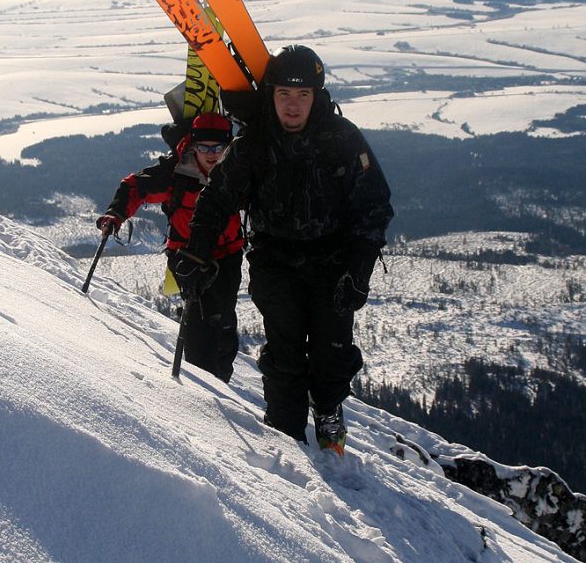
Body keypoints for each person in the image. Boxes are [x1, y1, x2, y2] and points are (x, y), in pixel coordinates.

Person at [174, 46, 393, 453]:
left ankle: (328, 409)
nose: (293, 106)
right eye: (284, 96)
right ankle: (285, 437)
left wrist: (359, 270)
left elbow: (375, 206)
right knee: (285, 356)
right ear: (271, 95)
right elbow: (216, 199)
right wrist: (195, 253)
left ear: (317, 96)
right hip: (276, 264)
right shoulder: (255, 144)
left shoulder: (343, 140)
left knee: (331, 354)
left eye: (303, 96)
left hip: (334, 264)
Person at [97, 112, 243, 383]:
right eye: (204, 147)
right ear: (193, 145)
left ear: (228, 146)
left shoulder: (237, 170)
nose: (211, 155)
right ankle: (203, 378)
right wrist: (115, 214)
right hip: (185, 254)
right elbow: (135, 187)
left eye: (218, 148)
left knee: (222, 318)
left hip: (226, 254)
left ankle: (221, 378)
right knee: (199, 320)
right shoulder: (175, 171)